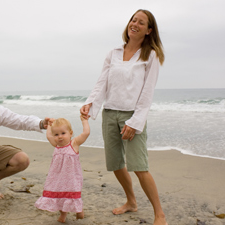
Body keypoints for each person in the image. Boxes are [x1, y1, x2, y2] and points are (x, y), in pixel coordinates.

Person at [80, 9, 167, 225]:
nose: (134, 24)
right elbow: (103, 82)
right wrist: (90, 104)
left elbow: (147, 94)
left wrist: (135, 122)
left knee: (138, 166)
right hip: (110, 112)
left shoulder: (151, 55)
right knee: (116, 163)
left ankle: (160, 214)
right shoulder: (114, 52)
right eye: (133, 20)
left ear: (148, 30)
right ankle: (131, 202)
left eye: (141, 22)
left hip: (132, 115)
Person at [35, 116, 90, 223]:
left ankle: (79, 210)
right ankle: (63, 215)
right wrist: (50, 126)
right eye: (57, 134)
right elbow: (49, 136)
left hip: (71, 177)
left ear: (70, 133)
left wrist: (84, 121)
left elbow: (86, 133)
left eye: (63, 133)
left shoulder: (74, 144)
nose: (60, 137)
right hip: (57, 177)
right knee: (59, 194)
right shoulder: (56, 145)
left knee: (73, 194)